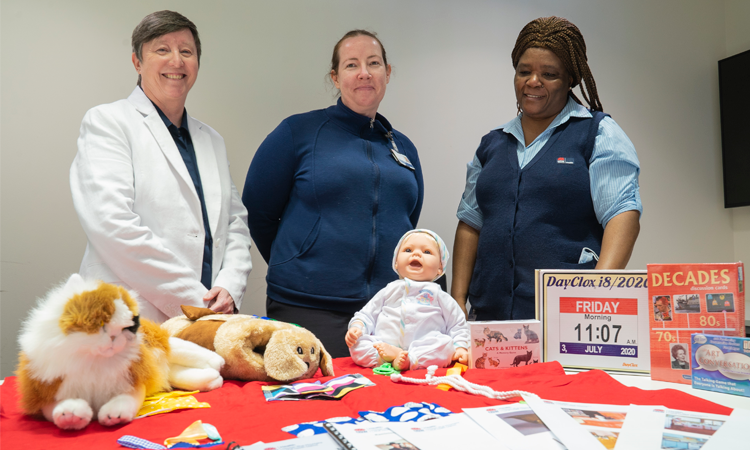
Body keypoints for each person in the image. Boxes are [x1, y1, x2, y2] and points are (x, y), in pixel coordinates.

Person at [242, 30, 423, 358]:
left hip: (387, 314)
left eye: (373, 63)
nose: (364, 72)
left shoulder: (404, 147)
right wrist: (298, 262)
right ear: (336, 78)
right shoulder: (297, 133)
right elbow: (258, 210)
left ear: (387, 73)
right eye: (352, 65)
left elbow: (407, 220)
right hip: (309, 309)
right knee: (315, 405)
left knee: (386, 404)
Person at [452, 16, 642, 321]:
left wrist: (596, 296)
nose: (533, 82)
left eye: (549, 74)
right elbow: (470, 223)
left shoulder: (599, 134)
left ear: (570, 79)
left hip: (565, 318)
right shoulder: (491, 144)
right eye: (524, 71)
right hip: (490, 318)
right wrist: (457, 300)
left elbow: (622, 216)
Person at [70, 11, 253, 322]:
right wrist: (195, 302)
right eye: (162, 50)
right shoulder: (108, 122)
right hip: (130, 316)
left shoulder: (212, 140)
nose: (177, 61)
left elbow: (234, 222)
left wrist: (229, 286)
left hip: (208, 316)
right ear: (137, 62)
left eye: (186, 51)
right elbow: (112, 225)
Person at [346, 230, 469, 371]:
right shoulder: (389, 290)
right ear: (396, 262)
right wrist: (357, 328)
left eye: (427, 252)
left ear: (440, 267)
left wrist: (460, 347)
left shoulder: (439, 295)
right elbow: (366, 315)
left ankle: (410, 359)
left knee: (445, 345)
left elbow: (457, 324)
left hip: (423, 347)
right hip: (384, 343)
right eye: (408, 250)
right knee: (357, 344)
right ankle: (385, 357)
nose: (416, 254)